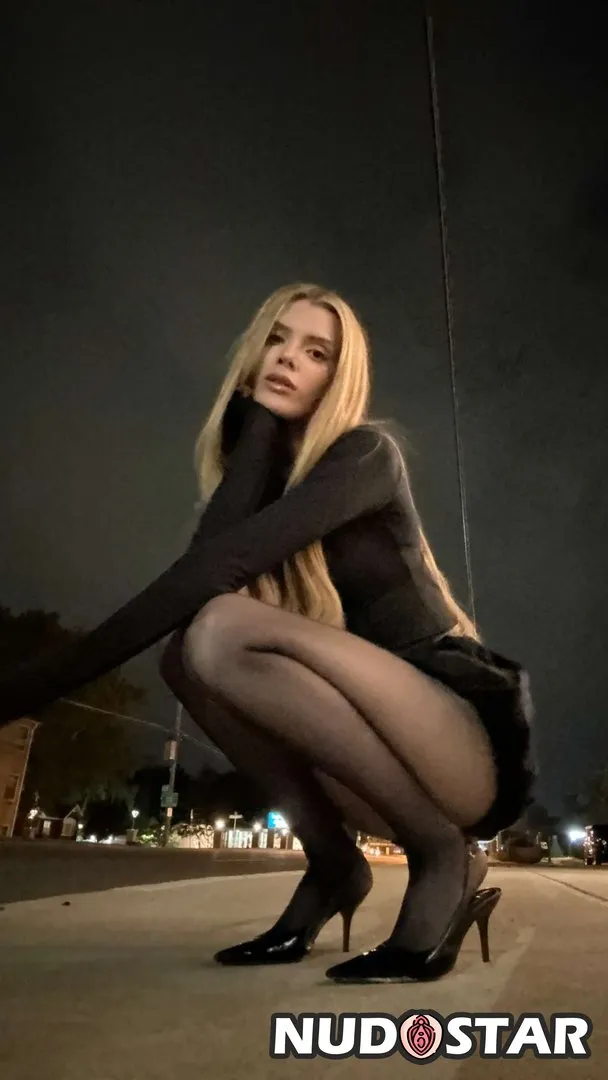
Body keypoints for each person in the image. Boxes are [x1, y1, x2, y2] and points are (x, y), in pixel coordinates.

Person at [0, 282, 536, 984]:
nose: (287, 359)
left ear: (340, 377)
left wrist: (31, 687)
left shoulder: (366, 455)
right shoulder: (274, 482)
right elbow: (205, 574)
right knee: (188, 655)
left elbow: (216, 573)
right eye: (276, 341)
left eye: (316, 352)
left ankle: (443, 856)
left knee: (221, 628)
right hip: (379, 755)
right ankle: (334, 863)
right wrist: (257, 430)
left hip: (457, 740)